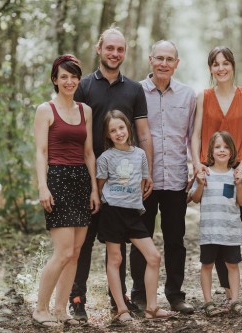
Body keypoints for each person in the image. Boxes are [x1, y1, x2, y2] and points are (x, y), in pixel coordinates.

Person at [70, 26, 153, 320]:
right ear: (99, 49)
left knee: (117, 242)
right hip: (86, 175)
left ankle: (118, 299)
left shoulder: (134, 89)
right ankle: (77, 297)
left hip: (125, 182)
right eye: (110, 48)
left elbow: (143, 133)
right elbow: (72, 129)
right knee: (85, 239)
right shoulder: (83, 87)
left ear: (124, 53)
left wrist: (147, 172)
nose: (115, 54)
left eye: (120, 49)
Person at [191, 46, 242, 312]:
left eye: (225, 63)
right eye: (215, 64)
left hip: (239, 171)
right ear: (210, 68)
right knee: (220, 234)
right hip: (212, 173)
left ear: (233, 65)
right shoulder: (204, 96)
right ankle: (230, 296)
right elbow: (195, 134)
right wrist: (197, 166)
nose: (221, 68)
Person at [32, 54, 100, 327]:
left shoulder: (86, 111)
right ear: (55, 80)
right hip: (58, 179)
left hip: (81, 181)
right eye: (64, 77)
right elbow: (40, 152)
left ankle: (61, 311)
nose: (69, 81)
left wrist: (94, 189)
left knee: (75, 252)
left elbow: (88, 153)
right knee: (62, 252)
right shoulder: (45, 110)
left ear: (78, 80)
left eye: (73, 76)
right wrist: (42, 186)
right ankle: (40, 309)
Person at [129, 40, 196, 314]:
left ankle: (175, 295)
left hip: (176, 177)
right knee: (140, 237)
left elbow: (192, 136)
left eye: (169, 59)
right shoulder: (135, 92)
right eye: (159, 58)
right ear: (150, 60)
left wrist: (196, 168)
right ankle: (139, 294)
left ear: (176, 63)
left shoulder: (188, 95)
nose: (164, 63)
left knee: (175, 239)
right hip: (143, 179)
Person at [97, 110, 176, 323]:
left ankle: (151, 307)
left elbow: (142, 184)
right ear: (108, 135)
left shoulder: (140, 154)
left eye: (121, 127)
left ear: (128, 127)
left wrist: (134, 201)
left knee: (154, 257)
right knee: (115, 259)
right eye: (113, 130)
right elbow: (100, 186)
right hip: (113, 212)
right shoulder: (105, 158)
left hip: (133, 213)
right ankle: (121, 310)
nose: (118, 133)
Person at [190, 131, 242, 317]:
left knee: (232, 265)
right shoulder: (204, 173)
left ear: (232, 151)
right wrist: (199, 183)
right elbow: (195, 198)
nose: (222, 150)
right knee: (207, 265)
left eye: (225, 147)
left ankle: (234, 301)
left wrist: (240, 185)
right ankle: (208, 302)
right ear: (211, 151)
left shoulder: (237, 175)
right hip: (209, 231)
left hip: (230, 231)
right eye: (217, 147)